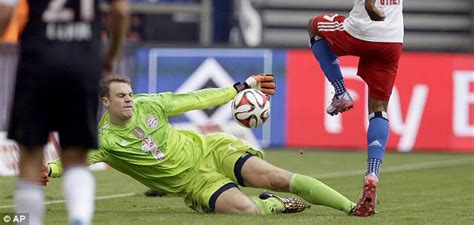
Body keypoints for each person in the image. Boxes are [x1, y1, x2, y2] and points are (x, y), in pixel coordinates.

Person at [44, 74, 367, 217]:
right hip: (196, 183)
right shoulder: (105, 141)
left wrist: (241, 87)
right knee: (249, 211)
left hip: (210, 150)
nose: (129, 100)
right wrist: (50, 169)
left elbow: (196, 99)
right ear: (105, 101)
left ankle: (353, 208)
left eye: (130, 94)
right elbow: (74, 160)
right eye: (121, 96)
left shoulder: (150, 104)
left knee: (277, 176)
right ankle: (275, 205)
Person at [0, 0, 130, 224]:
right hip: (84, 61)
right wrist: (110, 55)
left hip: (37, 63)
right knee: (75, 155)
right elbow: (119, 10)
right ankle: (80, 219)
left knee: (30, 155)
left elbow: (5, 10)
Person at [307, 0, 431, 216]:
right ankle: (372, 175)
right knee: (379, 109)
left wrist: (370, 3)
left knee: (314, 27)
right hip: (392, 40)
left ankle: (340, 91)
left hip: (361, 29)